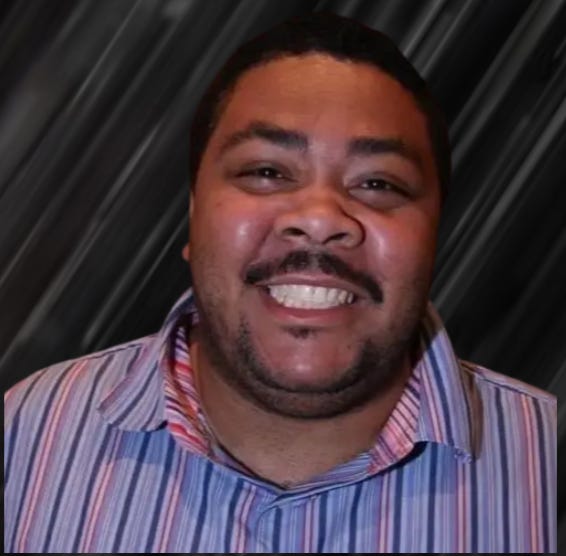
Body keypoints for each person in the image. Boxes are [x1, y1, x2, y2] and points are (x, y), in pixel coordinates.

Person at [4, 12, 556, 553]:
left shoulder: (548, 461)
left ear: (434, 232)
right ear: (193, 215)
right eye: (266, 172)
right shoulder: (22, 436)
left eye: (378, 183)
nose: (320, 218)